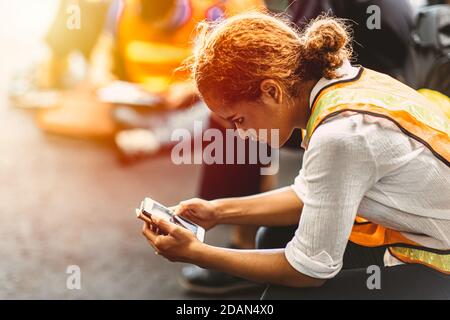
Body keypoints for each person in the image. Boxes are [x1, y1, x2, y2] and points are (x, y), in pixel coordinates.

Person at [138, 12, 450, 299]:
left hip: (440, 257)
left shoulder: (340, 135)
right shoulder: (339, 80)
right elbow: (309, 193)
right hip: (422, 231)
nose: (237, 133)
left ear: (272, 91)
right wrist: (217, 211)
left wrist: (196, 253)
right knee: (274, 236)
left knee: (282, 296)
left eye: (237, 119)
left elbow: (308, 271)